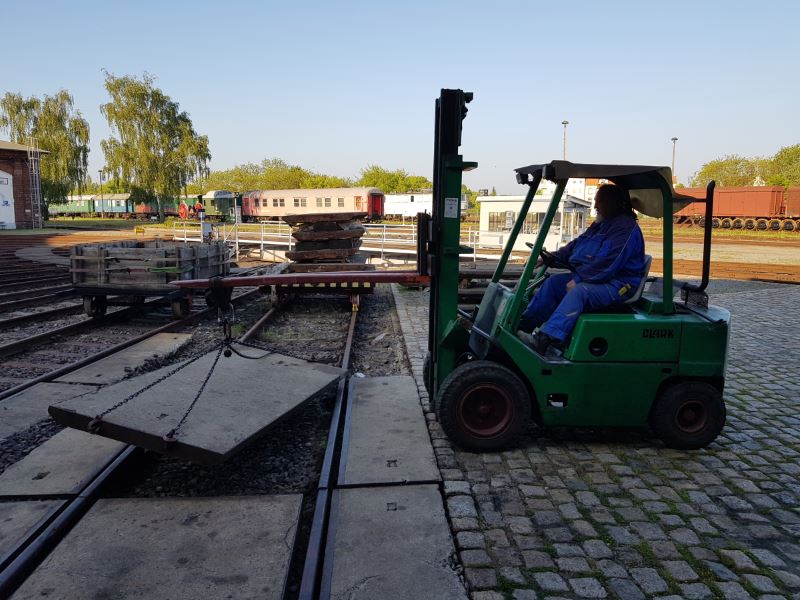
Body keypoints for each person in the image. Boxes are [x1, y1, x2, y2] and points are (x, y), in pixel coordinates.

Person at [519, 184, 646, 354]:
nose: (595, 206)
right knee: (553, 283)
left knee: (579, 292)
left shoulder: (624, 228)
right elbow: (577, 245)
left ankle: (544, 339)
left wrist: (579, 279)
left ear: (613, 203)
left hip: (619, 284)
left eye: (599, 202)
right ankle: (524, 325)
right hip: (597, 279)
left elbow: (607, 264)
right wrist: (553, 257)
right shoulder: (601, 224)